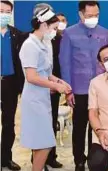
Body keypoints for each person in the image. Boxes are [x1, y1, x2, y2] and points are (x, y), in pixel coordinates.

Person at [59, 1, 108, 171]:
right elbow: (65, 62)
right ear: (81, 15)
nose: (93, 18)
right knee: (80, 128)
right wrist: (68, 90)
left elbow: (107, 59)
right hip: (79, 89)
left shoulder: (104, 32)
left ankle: (95, 160)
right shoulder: (69, 33)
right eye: (89, 16)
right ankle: (79, 160)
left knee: (96, 127)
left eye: (96, 15)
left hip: (100, 88)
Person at [19, 7, 71, 171]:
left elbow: (47, 73)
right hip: (34, 99)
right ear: (44, 25)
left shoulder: (42, 43)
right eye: (54, 28)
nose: (56, 32)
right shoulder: (30, 45)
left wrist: (60, 81)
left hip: (42, 98)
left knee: (39, 141)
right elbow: (32, 76)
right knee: (46, 142)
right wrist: (56, 86)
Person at [0, 0, 24, 170]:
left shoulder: (16, 34)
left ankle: (5, 159)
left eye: (7, 12)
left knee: (8, 123)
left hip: (10, 84)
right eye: (1, 11)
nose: (4, 14)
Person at [45, 12, 68, 169]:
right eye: (57, 21)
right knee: (42, 124)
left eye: (63, 21)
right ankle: (39, 160)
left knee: (52, 122)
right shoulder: (42, 40)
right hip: (42, 86)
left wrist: (59, 84)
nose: (60, 24)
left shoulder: (64, 40)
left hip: (56, 87)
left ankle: (51, 157)